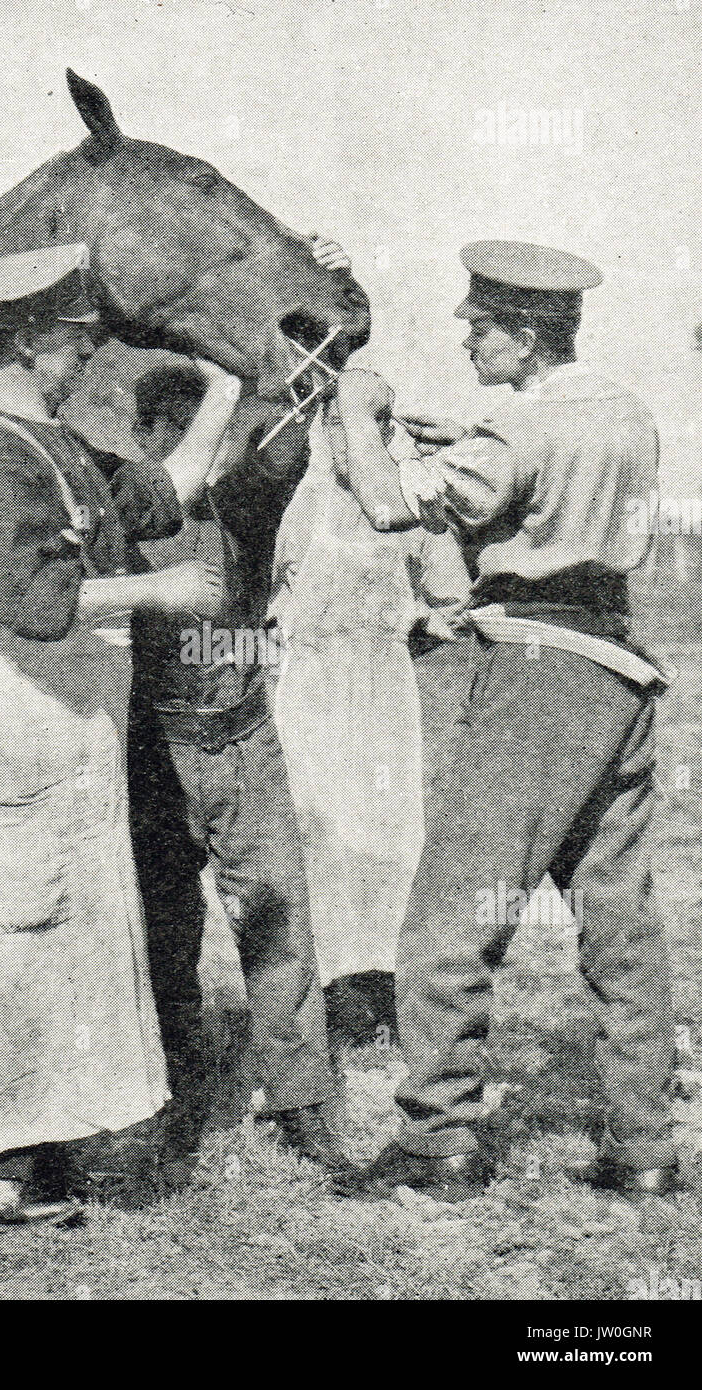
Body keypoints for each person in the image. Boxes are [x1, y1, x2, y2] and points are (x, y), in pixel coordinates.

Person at [333, 241, 678, 1203]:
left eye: (479, 325)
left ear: (523, 337)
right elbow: (544, 484)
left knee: (449, 919)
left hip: (532, 677)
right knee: (619, 926)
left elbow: (385, 502)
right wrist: (471, 442)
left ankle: (438, 1139)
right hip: (617, 669)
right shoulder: (624, 410)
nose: (464, 333)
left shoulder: (514, 429)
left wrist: (359, 417)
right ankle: (643, 1145)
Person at [0, 247, 235, 1229]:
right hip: (24, 722)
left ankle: (42, 1145)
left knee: (70, 941)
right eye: (71, 346)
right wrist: (157, 587)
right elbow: (30, 598)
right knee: (10, 943)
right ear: (24, 341)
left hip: (79, 734)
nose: (82, 364)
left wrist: (237, 383)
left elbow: (167, 488)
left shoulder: (60, 447)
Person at [127, 354, 355, 1181]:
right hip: (146, 751)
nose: (206, 451)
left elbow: (297, 425)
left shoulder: (246, 502)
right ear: (147, 437)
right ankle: (175, 1084)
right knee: (160, 931)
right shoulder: (123, 510)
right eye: (182, 435)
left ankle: (303, 1104)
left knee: (275, 920)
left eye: (215, 434)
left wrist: (322, 325)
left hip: (241, 739)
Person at [268, 398, 469, 1043]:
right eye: (359, 421)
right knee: (324, 837)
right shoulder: (298, 498)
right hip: (311, 686)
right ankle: (336, 997)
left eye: (384, 420)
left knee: (390, 838)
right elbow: (271, 600)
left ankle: (382, 994)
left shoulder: (404, 504)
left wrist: (421, 617)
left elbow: (447, 595)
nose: (370, 436)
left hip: (384, 688)